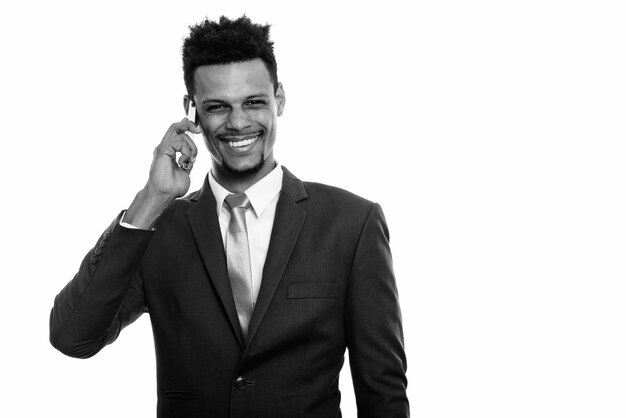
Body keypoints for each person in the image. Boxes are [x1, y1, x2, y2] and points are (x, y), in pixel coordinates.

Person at [50, 15, 409, 418]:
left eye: (254, 102)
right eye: (217, 107)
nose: (238, 122)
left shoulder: (351, 224)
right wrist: (152, 197)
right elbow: (71, 337)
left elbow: (383, 393)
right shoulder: (157, 229)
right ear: (192, 112)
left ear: (280, 99)